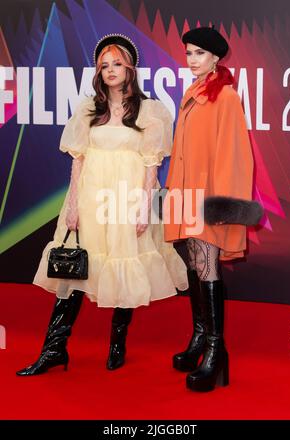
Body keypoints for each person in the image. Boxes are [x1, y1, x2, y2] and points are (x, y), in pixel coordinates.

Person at [16, 34, 188, 376]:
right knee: (73, 270)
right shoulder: (87, 109)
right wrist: (74, 203)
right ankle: (53, 350)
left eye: (117, 64)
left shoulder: (151, 111)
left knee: (124, 265)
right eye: (104, 66)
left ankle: (117, 343)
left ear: (131, 68)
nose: (110, 70)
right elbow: (78, 160)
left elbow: (152, 165)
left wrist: (143, 207)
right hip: (90, 197)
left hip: (127, 199)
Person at [163, 26, 254, 392]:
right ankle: (201, 338)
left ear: (216, 57)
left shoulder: (226, 96)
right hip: (184, 195)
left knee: (208, 265)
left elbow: (235, 155)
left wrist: (220, 206)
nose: (192, 60)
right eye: (188, 53)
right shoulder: (193, 91)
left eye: (199, 53)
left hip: (208, 199)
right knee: (196, 265)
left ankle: (217, 352)